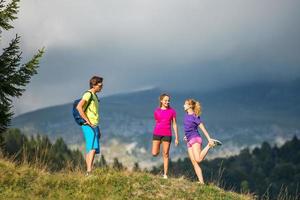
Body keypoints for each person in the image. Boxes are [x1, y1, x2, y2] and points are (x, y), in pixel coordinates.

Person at [183, 99, 222, 184]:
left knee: (198, 159)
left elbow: (202, 128)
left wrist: (209, 138)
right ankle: (201, 182)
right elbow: (189, 128)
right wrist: (186, 136)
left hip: (195, 139)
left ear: (190, 106)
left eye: (185, 104)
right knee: (194, 162)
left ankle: (209, 145)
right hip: (189, 140)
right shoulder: (186, 116)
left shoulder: (195, 116)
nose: (184, 105)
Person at [76, 76, 103, 175]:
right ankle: (89, 172)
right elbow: (79, 107)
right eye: (100, 85)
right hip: (89, 125)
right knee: (92, 148)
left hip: (94, 125)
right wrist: (87, 121)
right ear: (94, 85)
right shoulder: (88, 94)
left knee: (91, 148)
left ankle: (88, 172)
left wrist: (97, 127)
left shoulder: (95, 96)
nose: (102, 87)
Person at [152, 93, 179, 179]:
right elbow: (157, 121)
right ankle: (159, 145)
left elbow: (174, 124)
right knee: (154, 153)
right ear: (161, 101)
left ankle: (165, 174)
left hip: (167, 134)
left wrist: (177, 137)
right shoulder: (156, 111)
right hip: (157, 133)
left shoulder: (172, 111)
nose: (167, 102)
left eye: (168, 100)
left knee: (166, 154)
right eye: (166, 100)